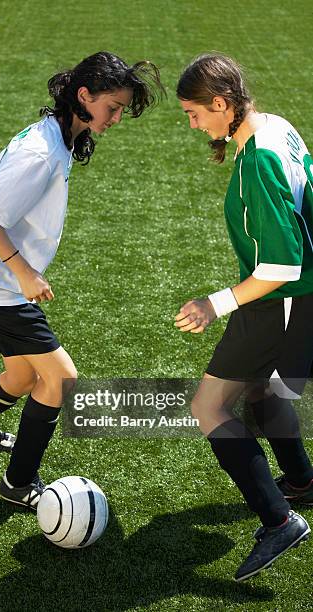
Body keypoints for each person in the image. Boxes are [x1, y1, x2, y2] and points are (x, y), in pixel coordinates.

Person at [0, 51, 163, 512]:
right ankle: (19, 484)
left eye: (121, 110)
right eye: (112, 107)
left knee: (21, 375)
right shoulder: (43, 152)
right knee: (60, 379)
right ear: (84, 95)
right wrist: (23, 269)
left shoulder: (48, 137)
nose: (116, 117)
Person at [175, 53, 313, 582]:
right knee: (260, 393)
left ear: (221, 103)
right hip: (299, 302)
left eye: (194, 113)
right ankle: (300, 480)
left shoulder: (256, 161)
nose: (194, 125)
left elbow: (280, 264)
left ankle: (279, 521)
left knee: (209, 407)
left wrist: (216, 303)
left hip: (279, 300)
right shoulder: (278, 127)